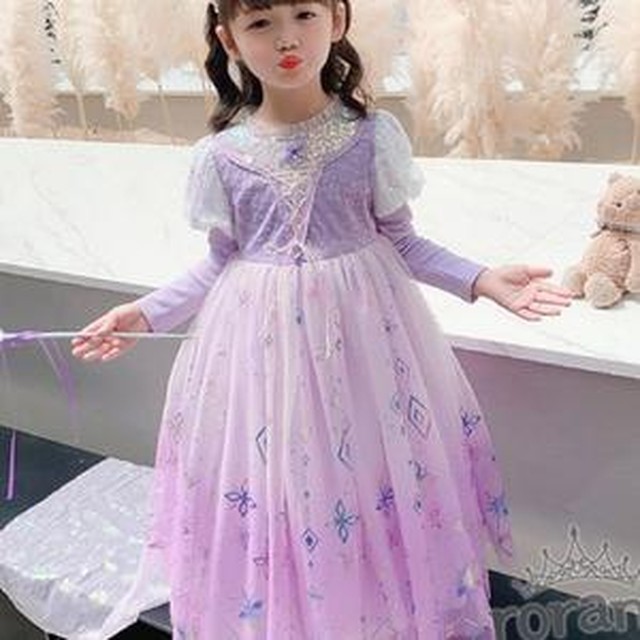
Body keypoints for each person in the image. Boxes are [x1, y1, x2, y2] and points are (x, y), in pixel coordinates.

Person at [72, 1, 572, 637]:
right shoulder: (220, 157)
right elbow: (219, 263)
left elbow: (403, 241)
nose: (287, 39)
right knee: (284, 486)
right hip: (262, 358)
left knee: (366, 481)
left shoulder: (371, 138)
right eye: (260, 23)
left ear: (337, 19)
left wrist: (480, 280)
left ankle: (377, 615)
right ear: (229, 39)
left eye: (304, 14)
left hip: (365, 351)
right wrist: (143, 315)